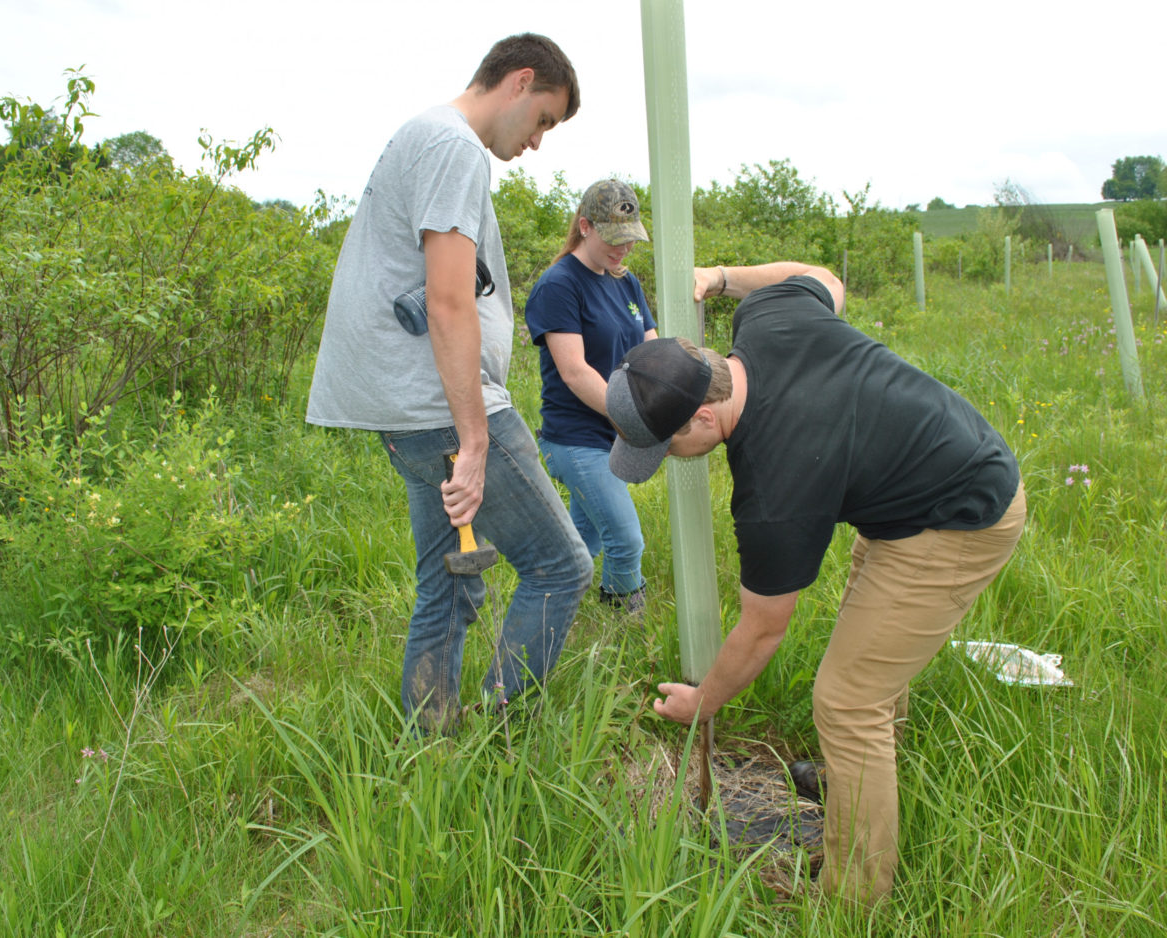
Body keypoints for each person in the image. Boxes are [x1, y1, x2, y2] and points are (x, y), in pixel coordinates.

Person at [607, 261, 1026, 904]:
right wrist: (721, 278)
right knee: (868, 660)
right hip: (917, 492)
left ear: (701, 421)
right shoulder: (769, 316)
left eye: (663, 449)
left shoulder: (774, 488)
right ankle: (860, 778)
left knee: (847, 700)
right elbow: (822, 275)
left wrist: (703, 702)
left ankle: (852, 898)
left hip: (962, 516)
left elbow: (762, 630)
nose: (666, 462)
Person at [305, 34, 594, 732]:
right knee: (562, 568)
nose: (536, 142)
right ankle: (499, 732)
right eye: (544, 121)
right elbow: (449, 299)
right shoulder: (454, 146)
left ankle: (430, 745)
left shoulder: (427, 136)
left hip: (410, 411)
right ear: (520, 82)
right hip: (442, 410)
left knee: (446, 582)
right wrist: (473, 440)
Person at [525, 179, 658, 614]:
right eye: (614, 240)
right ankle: (626, 627)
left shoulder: (626, 284)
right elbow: (576, 372)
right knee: (625, 538)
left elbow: (649, 349)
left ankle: (551, 609)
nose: (623, 251)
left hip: (616, 436)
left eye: (630, 241)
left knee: (587, 540)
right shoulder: (560, 284)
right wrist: (631, 417)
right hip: (575, 438)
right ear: (585, 226)